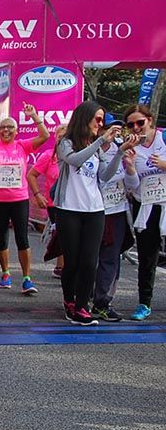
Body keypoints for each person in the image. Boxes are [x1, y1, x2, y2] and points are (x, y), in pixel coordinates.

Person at [51, 101, 127, 325]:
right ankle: (69, 301)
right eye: (98, 119)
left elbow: (104, 175)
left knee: (90, 261)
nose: (101, 124)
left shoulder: (96, 145)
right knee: (72, 261)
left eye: (102, 120)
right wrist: (102, 142)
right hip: (69, 210)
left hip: (94, 210)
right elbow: (74, 159)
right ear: (85, 119)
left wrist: (119, 153)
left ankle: (82, 306)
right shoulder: (65, 143)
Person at [0, 103, 50, 294]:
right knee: (2, 238)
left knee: (22, 238)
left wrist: (34, 116)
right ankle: (5, 273)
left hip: (19, 199)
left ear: (16, 131)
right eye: (3, 127)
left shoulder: (23, 145)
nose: (6, 130)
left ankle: (27, 278)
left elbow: (45, 136)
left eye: (10, 127)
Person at [91, 127, 140, 321]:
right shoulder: (90, 150)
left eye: (116, 131)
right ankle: (82, 298)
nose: (112, 135)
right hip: (93, 212)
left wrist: (130, 167)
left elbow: (133, 185)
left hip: (117, 213)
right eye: (107, 130)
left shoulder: (122, 149)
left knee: (110, 260)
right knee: (89, 259)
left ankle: (103, 302)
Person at [124, 105, 166, 320]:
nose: (136, 127)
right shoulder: (132, 148)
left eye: (140, 122)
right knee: (147, 258)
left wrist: (164, 164)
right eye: (131, 124)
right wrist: (130, 167)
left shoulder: (164, 139)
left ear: (150, 120)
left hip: (165, 204)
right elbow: (132, 185)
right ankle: (144, 303)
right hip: (145, 206)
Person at [27, 124, 67, 278]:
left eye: (66, 137)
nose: (62, 140)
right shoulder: (48, 156)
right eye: (59, 137)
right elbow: (31, 175)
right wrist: (38, 194)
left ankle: (65, 266)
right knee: (61, 234)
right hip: (54, 204)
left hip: (73, 203)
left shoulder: (76, 157)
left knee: (68, 235)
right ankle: (61, 266)